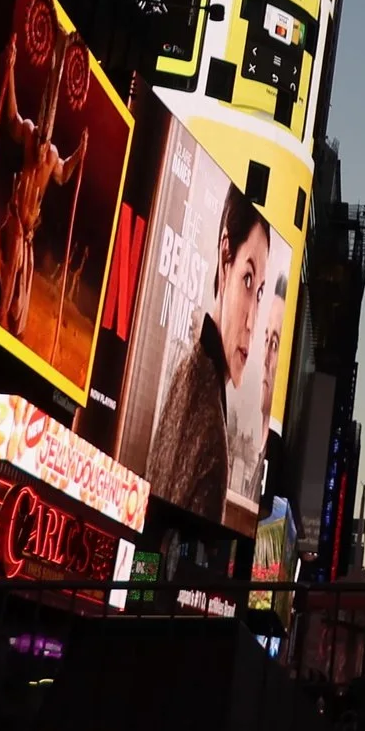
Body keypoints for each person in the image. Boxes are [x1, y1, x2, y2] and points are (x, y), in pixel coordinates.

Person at [152, 186, 271, 522]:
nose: (252, 320)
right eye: (247, 279)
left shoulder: (190, 369)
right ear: (224, 258)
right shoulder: (213, 434)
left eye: (259, 292)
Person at [0, 18, 85, 335]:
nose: (40, 154)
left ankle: (12, 322)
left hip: (30, 229)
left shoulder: (52, 156)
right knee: (12, 267)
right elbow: (11, 116)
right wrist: (10, 69)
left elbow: (64, 175)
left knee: (25, 273)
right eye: (38, 147)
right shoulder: (28, 133)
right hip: (15, 217)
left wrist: (80, 151)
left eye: (43, 149)